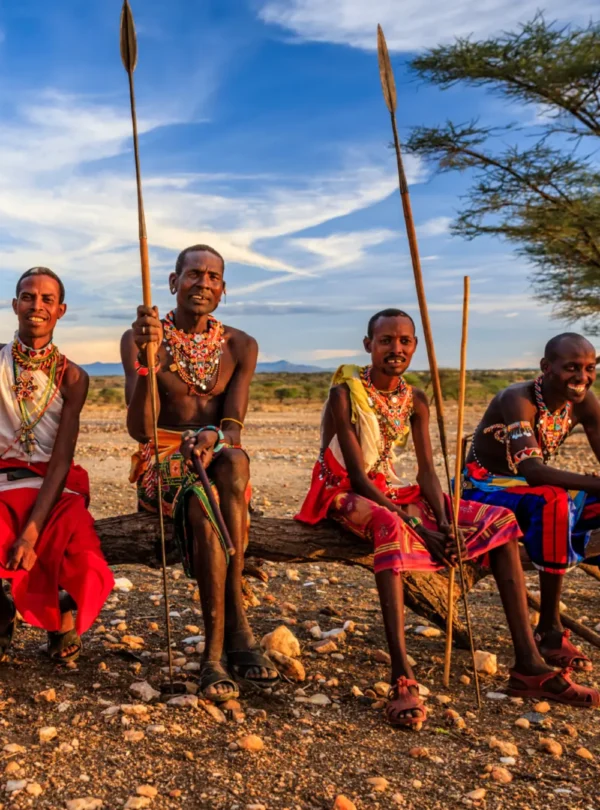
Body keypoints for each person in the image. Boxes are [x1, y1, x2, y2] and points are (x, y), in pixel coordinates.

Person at [296, 310, 599, 729]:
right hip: (345, 491)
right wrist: (419, 526)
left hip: (397, 488)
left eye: (404, 341)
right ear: (369, 345)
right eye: (386, 341)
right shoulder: (344, 394)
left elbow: (425, 474)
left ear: (415, 347)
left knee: (498, 521)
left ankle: (529, 664)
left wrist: (448, 522)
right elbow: (360, 478)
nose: (396, 349)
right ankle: (401, 676)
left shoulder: (416, 398)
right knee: (390, 525)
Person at [122, 244, 278, 704]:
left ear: (223, 290)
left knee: (233, 461)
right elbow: (139, 429)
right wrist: (150, 361)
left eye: (213, 277)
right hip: (161, 457)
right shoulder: (142, 337)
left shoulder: (241, 345)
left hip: (216, 456)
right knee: (204, 492)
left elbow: (233, 425)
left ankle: (222, 645)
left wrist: (211, 437)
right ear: (173, 282)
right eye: (193, 274)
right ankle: (229, 641)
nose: (203, 284)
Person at [463, 332, 600, 674]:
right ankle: (550, 628)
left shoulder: (583, 402)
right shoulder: (518, 398)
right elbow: (533, 471)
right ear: (546, 367)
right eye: (571, 367)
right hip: (485, 486)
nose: (581, 377)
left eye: (589, 368)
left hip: (527, 490)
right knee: (553, 499)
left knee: (562, 499)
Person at [0, 267, 114, 663]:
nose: (37, 305)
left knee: (79, 553)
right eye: (28, 297)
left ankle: (60, 611)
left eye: (47, 300)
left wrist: (31, 533)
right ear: (14, 305)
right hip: (1, 481)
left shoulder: (74, 377)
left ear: (61, 310)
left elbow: (61, 458)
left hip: (53, 485)